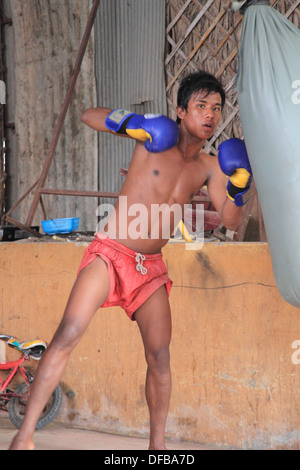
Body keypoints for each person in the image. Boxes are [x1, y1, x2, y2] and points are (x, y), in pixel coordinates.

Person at [9, 70, 252, 450]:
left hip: (150, 268)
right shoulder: (151, 140)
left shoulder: (210, 167)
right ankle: (23, 439)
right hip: (111, 253)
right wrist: (134, 122)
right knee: (68, 334)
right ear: (180, 110)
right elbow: (89, 115)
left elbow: (233, 222)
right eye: (201, 106)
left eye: (217, 108)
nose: (210, 115)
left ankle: (157, 448)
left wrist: (239, 186)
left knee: (159, 356)